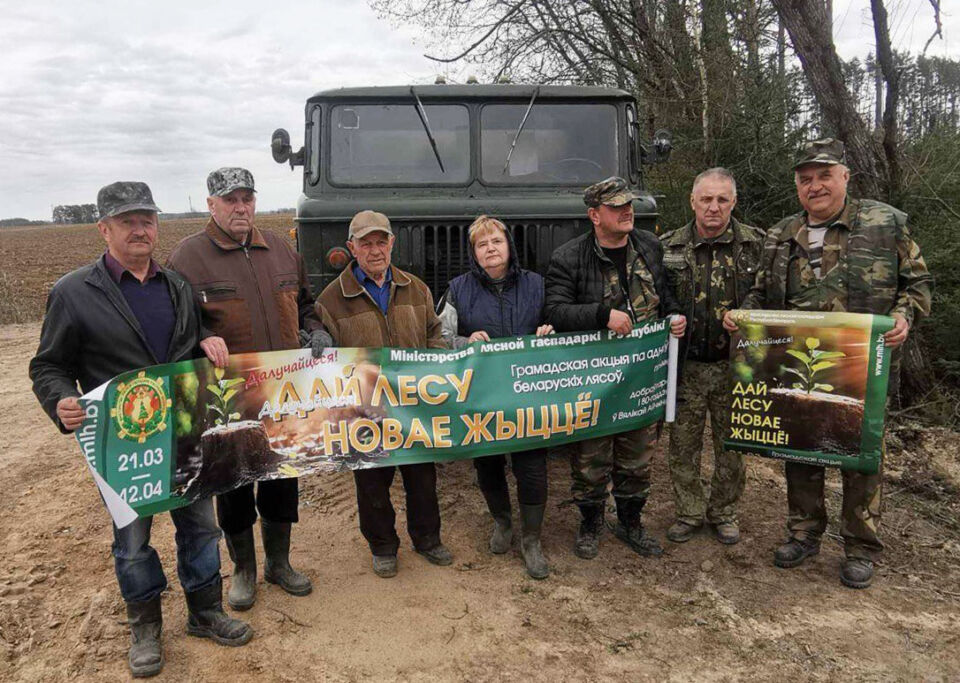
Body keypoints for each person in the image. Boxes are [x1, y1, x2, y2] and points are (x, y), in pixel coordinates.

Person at [29, 181, 253, 678]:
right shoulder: (73, 292)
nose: (140, 229)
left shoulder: (175, 285)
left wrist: (210, 342)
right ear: (103, 227)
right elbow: (48, 366)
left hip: (183, 430)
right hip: (124, 445)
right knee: (133, 540)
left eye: (147, 220)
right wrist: (61, 400)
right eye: (127, 221)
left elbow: (190, 343)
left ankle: (204, 611)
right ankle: (145, 626)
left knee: (200, 525)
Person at [723, 138, 933, 588]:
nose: (814, 186)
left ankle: (860, 545)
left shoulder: (884, 223)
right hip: (799, 364)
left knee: (861, 457)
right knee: (800, 446)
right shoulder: (782, 234)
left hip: (862, 367)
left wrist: (903, 315)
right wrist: (743, 315)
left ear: (844, 177)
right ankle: (803, 532)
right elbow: (761, 293)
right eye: (805, 179)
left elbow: (917, 283)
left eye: (823, 176)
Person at [167, 167, 328, 610]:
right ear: (211, 205)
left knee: (282, 478)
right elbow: (176, 329)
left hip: (285, 393)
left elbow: (307, 305)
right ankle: (244, 570)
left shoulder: (280, 249)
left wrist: (315, 331)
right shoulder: (187, 258)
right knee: (234, 483)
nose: (240, 207)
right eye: (230, 199)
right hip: (227, 399)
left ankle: (280, 563)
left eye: (246, 198)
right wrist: (199, 338)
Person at [544, 177, 686, 560]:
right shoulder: (569, 257)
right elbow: (554, 311)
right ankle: (590, 523)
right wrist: (602, 314)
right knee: (590, 460)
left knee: (638, 457)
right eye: (617, 207)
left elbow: (665, 296)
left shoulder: (649, 246)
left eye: (629, 205)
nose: (628, 211)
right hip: (596, 380)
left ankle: (630, 522)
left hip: (643, 377)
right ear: (594, 215)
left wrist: (674, 318)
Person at [315, 209, 453, 578]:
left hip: (414, 408)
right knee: (372, 482)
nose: (375, 250)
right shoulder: (331, 299)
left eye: (381, 242)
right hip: (365, 412)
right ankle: (382, 546)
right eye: (366, 244)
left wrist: (431, 369)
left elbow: (435, 335)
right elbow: (327, 362)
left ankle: (427, 539)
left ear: (392, 244)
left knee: (422, 479)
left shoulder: (416, 288)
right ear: (352, 248)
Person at [437, 215, 554, 579]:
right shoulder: (458, 288)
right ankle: (502, 522)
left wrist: (551, 331)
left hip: (528, 394)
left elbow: (559, 321)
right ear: (474, 253)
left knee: (532, 468)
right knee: (487, 465)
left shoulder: (537, 284)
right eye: (482, 244)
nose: (491, 249)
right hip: (482, 396)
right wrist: (463, 342)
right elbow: (439, 335)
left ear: (509, 246)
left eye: (496, 242)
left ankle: (531, 539)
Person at [660, 168, 764, 545]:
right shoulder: (669, 246)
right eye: (706, 199)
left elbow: (767, 292)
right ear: (693, 202)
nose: (714, 207)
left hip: (735, 367)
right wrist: (668, 317)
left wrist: (747, 312)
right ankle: (688, 511)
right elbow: (658, 297)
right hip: (686, 365)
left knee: (732, 446)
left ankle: (724, 512)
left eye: (722, 199)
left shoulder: (756, 244)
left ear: (733, 202)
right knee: (682, 446)